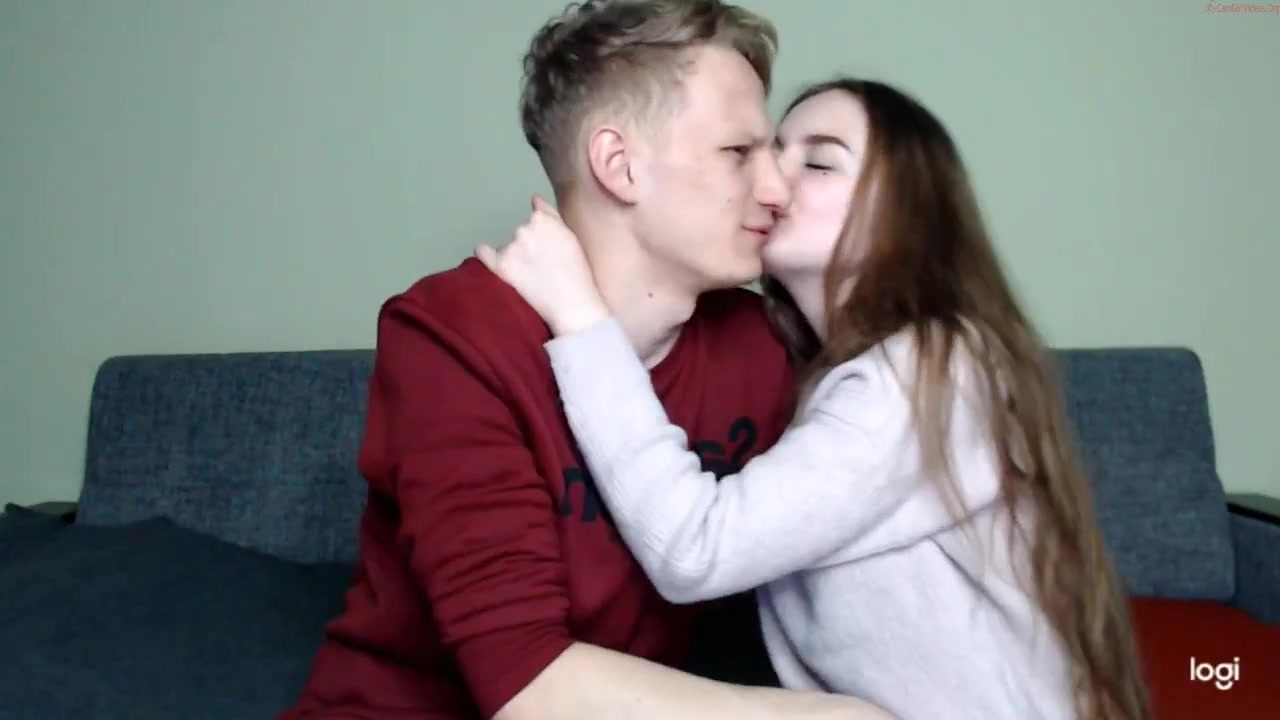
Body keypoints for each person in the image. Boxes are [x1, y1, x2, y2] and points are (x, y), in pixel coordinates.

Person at [280, 3, 892, 720]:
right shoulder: (451, 336)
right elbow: (525, 685)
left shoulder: (759, 348)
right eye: (737, 152)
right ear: (618, 165)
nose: (777, 190)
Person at [476, 77, 1156, 720]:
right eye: (765, 153)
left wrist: (579, 313)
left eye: (819, 163)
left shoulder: (936, 368)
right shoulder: (814, 378)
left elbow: (694, 548)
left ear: (905, 215)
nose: (770, 181)